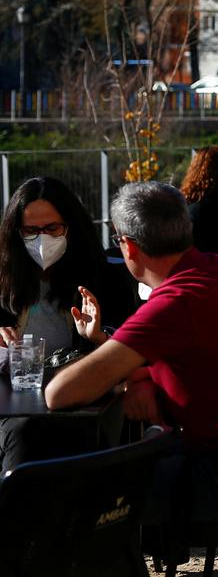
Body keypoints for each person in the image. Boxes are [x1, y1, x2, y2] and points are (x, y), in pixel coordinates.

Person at [45, 181, 218, 523]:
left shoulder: (174, 303)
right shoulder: (217, 270)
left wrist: (129, 372)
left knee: (77, 496)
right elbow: (202, 361)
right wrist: (141, 377)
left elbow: (59, 394)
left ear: (129, 247)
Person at [0, 176, 135, 471]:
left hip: (84, 408)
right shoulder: (5, 282)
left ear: (71, 228)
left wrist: (99, 336)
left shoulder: (106, 281)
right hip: (16, 411)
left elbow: (131, 356)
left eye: (52, 228)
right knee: (22, 432)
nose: (41, 239)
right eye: (30, 231)